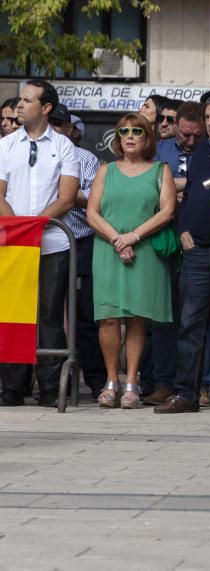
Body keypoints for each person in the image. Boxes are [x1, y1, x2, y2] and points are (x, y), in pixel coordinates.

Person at [153, 102, 210, 416]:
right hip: (198, 253)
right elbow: (188, 194)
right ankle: (185, 394)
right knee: (190, 325)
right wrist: (184, 227)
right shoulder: (201, 152)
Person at [87, 113, 176, 409]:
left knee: (138, 318)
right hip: (109, 249)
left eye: (137, 130)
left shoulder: (160, 170)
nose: (130, 135)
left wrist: (133, 237)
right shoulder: (106, 171)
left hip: (144, 249)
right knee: (109, 316)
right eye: (123, 131)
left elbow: (166, 212)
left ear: (148, 136)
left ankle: (132, 382)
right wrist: (117, 239)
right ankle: (111, 380)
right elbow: (92, 213)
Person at [0, 80, 80, 408]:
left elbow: (68, 197)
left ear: (45, 108)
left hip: (52, 242)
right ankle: (12, 387)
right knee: (14, 311)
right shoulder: (5, 146)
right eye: (19, 99)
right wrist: (18, 227)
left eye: (27, 100)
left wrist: (38, 224)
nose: (19, 105)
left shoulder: (63, 147)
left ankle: (50, 387)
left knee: (48, 314)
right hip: (15, 244)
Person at [49, 105, 104, 401]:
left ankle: (96, 382)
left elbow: (95, 203)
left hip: (81, 242)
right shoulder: (40, 157)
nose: (57, 130)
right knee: (50, 314)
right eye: (52, 125)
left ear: (73, 130)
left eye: (61, 125)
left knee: (85, 315)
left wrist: (70, 195)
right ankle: (53, 383)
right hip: (47, 240)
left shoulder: (85, 159)